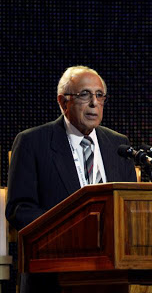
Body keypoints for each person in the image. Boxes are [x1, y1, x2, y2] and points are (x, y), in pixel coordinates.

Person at [6, 66, 136, 292]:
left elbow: (130, 207)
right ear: (63, 102)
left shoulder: (119, 145)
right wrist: (74, 229)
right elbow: (19, 209)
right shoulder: (33, 142)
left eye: (99, 95)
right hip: (53, 277)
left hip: (111, 278)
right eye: (84, 95)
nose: (94, 103)